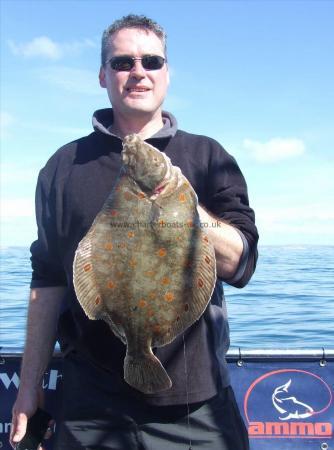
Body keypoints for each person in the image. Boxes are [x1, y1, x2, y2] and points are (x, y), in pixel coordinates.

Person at [10, 14, 258, 450]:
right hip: (90, 405)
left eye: (152, 61)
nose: (138, 72)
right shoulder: (62, 168)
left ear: (167, 73)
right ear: (104, 75)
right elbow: (48, 281)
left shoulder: (208, 155)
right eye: (123, 62)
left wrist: (182, 204)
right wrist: (28, 388)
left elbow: (241, 263)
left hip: (194, 408)